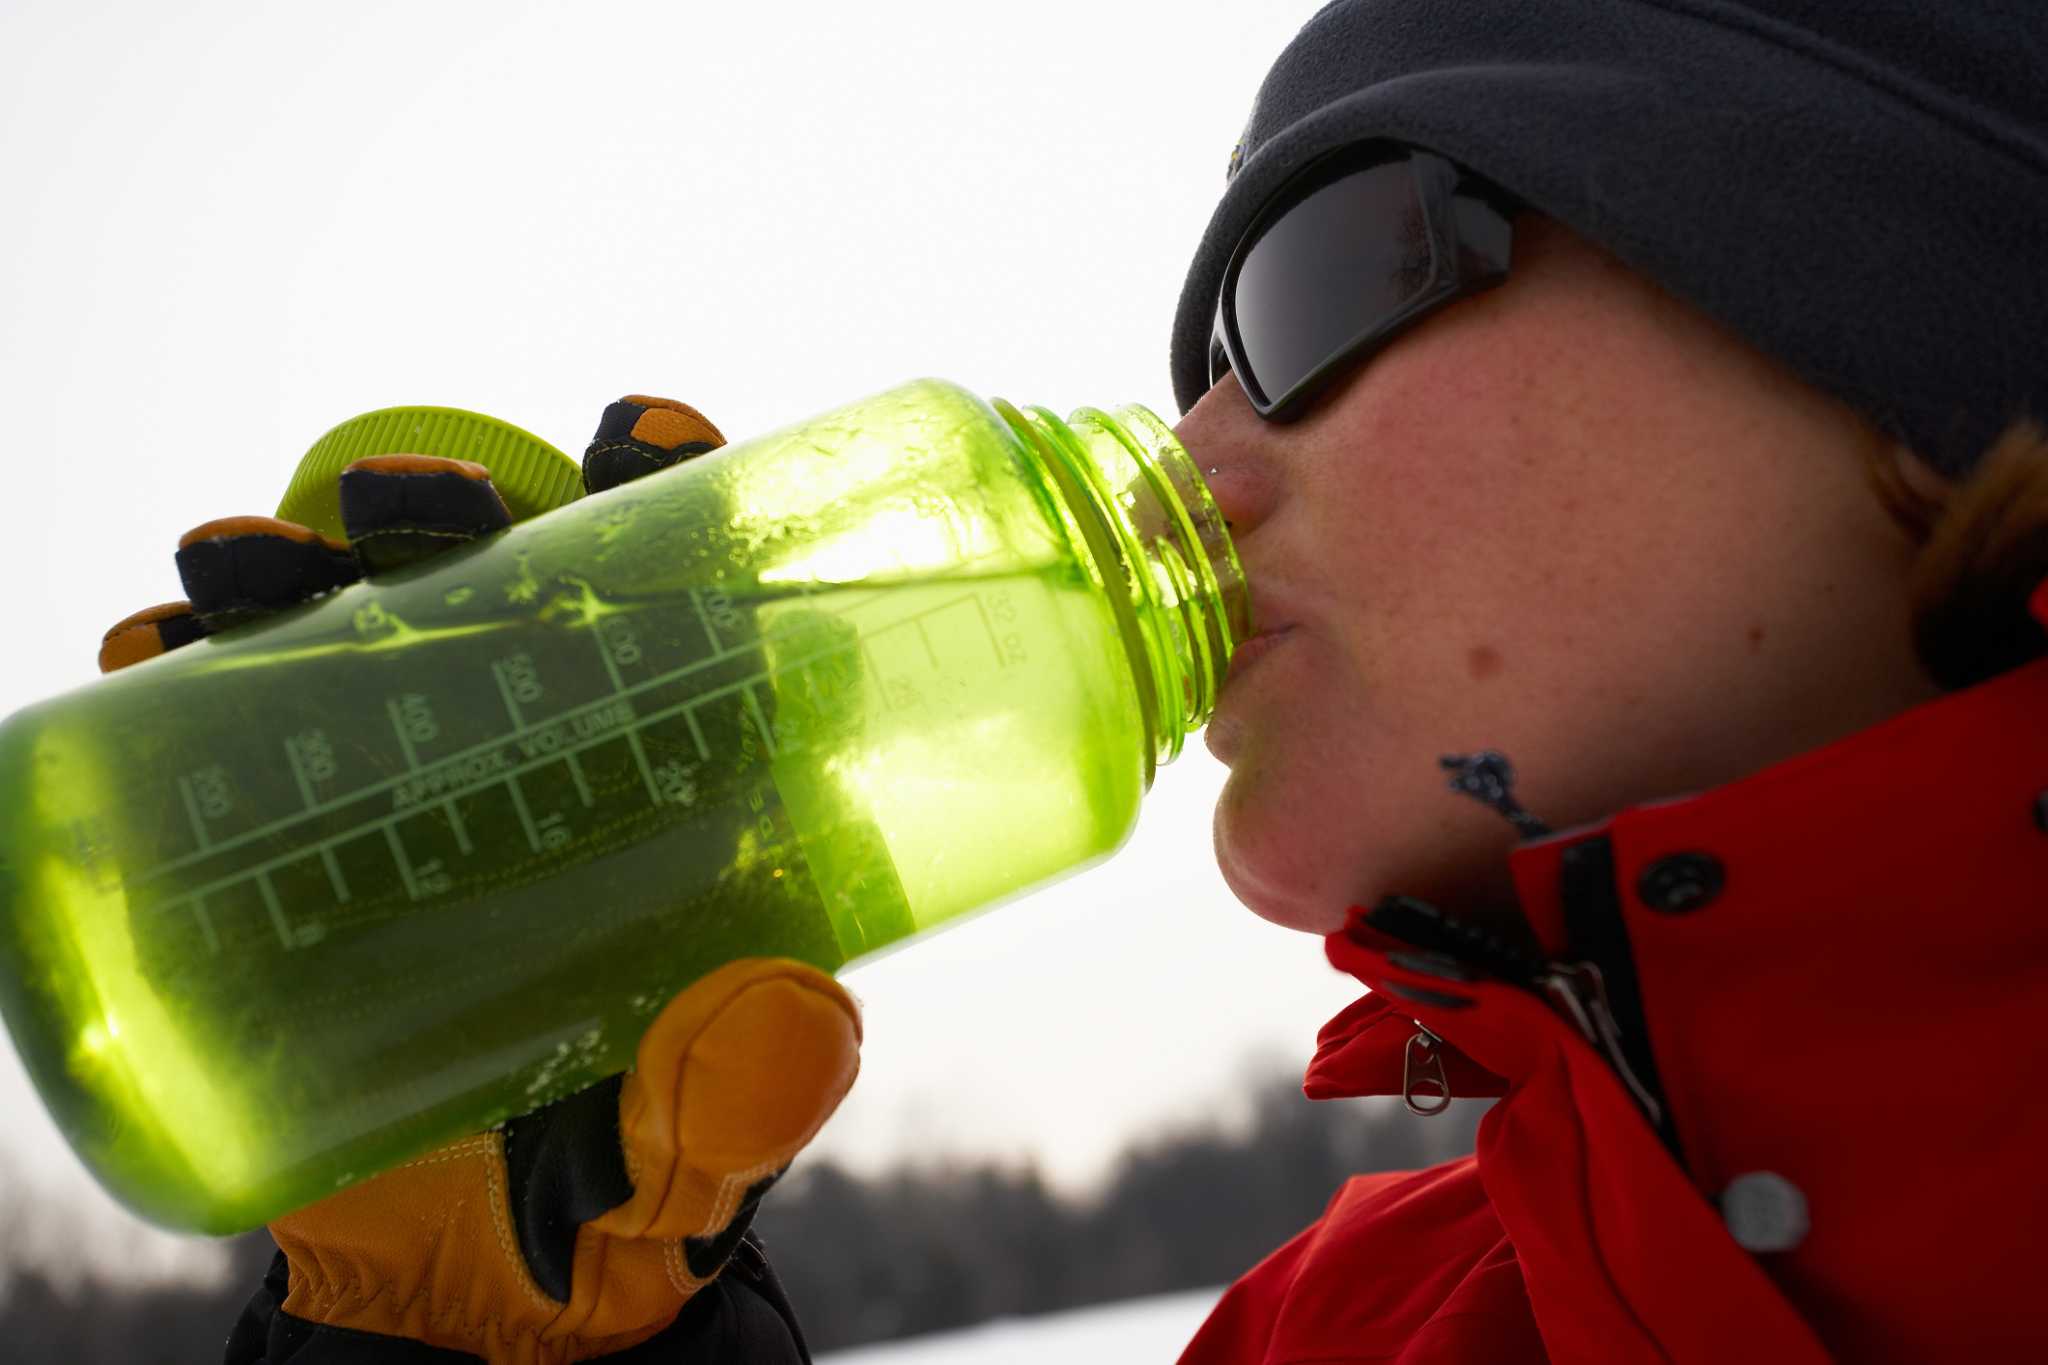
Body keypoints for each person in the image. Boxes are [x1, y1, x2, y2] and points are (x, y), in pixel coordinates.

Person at [112, 1, 2046, 1360]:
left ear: (1880, 265)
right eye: (1185, 354)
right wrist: (504, 1354)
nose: (1195, 457)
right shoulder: (1344, 1338)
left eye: (1309, 286)